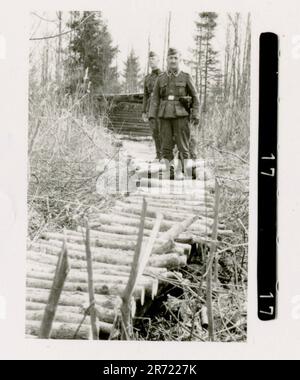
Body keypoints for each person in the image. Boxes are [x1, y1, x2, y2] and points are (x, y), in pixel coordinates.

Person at [149, 47, 200, 179]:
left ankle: (186, 170)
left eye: (175, 58)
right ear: (166, 60)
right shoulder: (161, 78)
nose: (173, 61)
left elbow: (195, 97)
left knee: (183, 145)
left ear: (180, 59)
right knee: (166, 145)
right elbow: (155, 98)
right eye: (170, 58)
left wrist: (195, 114)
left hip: (181, 116)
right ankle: (169, 171)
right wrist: (152, 115)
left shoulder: (186, 77)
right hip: (165, 115)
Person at [142, 51, 162, 160]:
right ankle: (158, 155)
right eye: (150, 59)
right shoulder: (147, 78)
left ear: (158, 60)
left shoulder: (163, 75)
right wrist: (144, 111)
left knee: (163, 131)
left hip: (161, 106)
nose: (151, 61)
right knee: (154, 132)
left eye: (153, 59)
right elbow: (145, 95)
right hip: (151, 107)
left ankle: (165, 155)